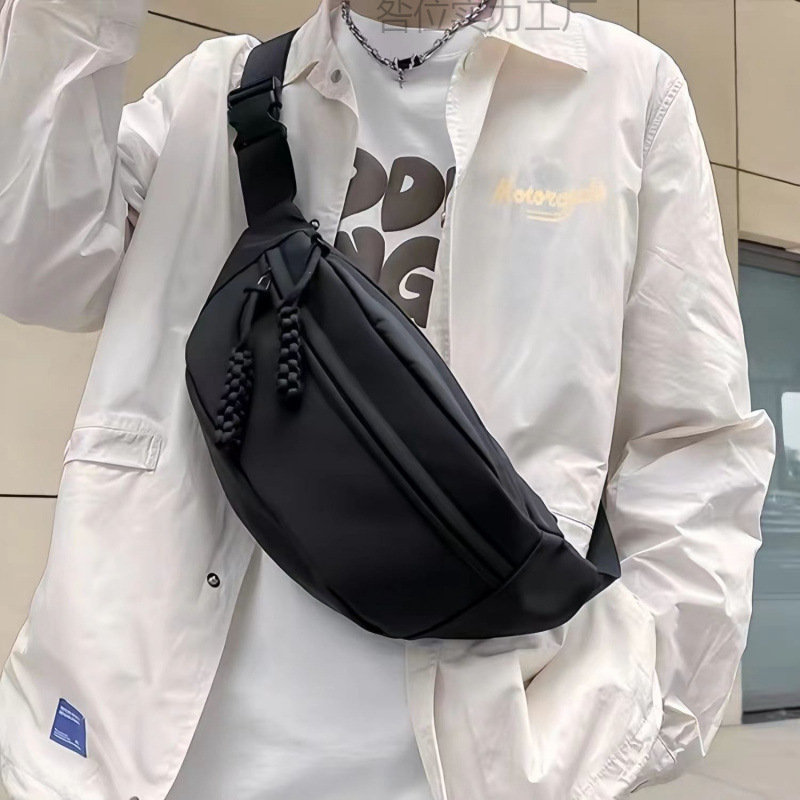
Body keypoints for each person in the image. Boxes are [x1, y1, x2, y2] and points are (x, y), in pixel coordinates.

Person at [0, 0, 776, 798]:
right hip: (127, 753)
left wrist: (617, 726)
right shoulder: (212, 91)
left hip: (463, 765)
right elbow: (40, 267)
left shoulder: (619, 94)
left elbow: (695, 448)